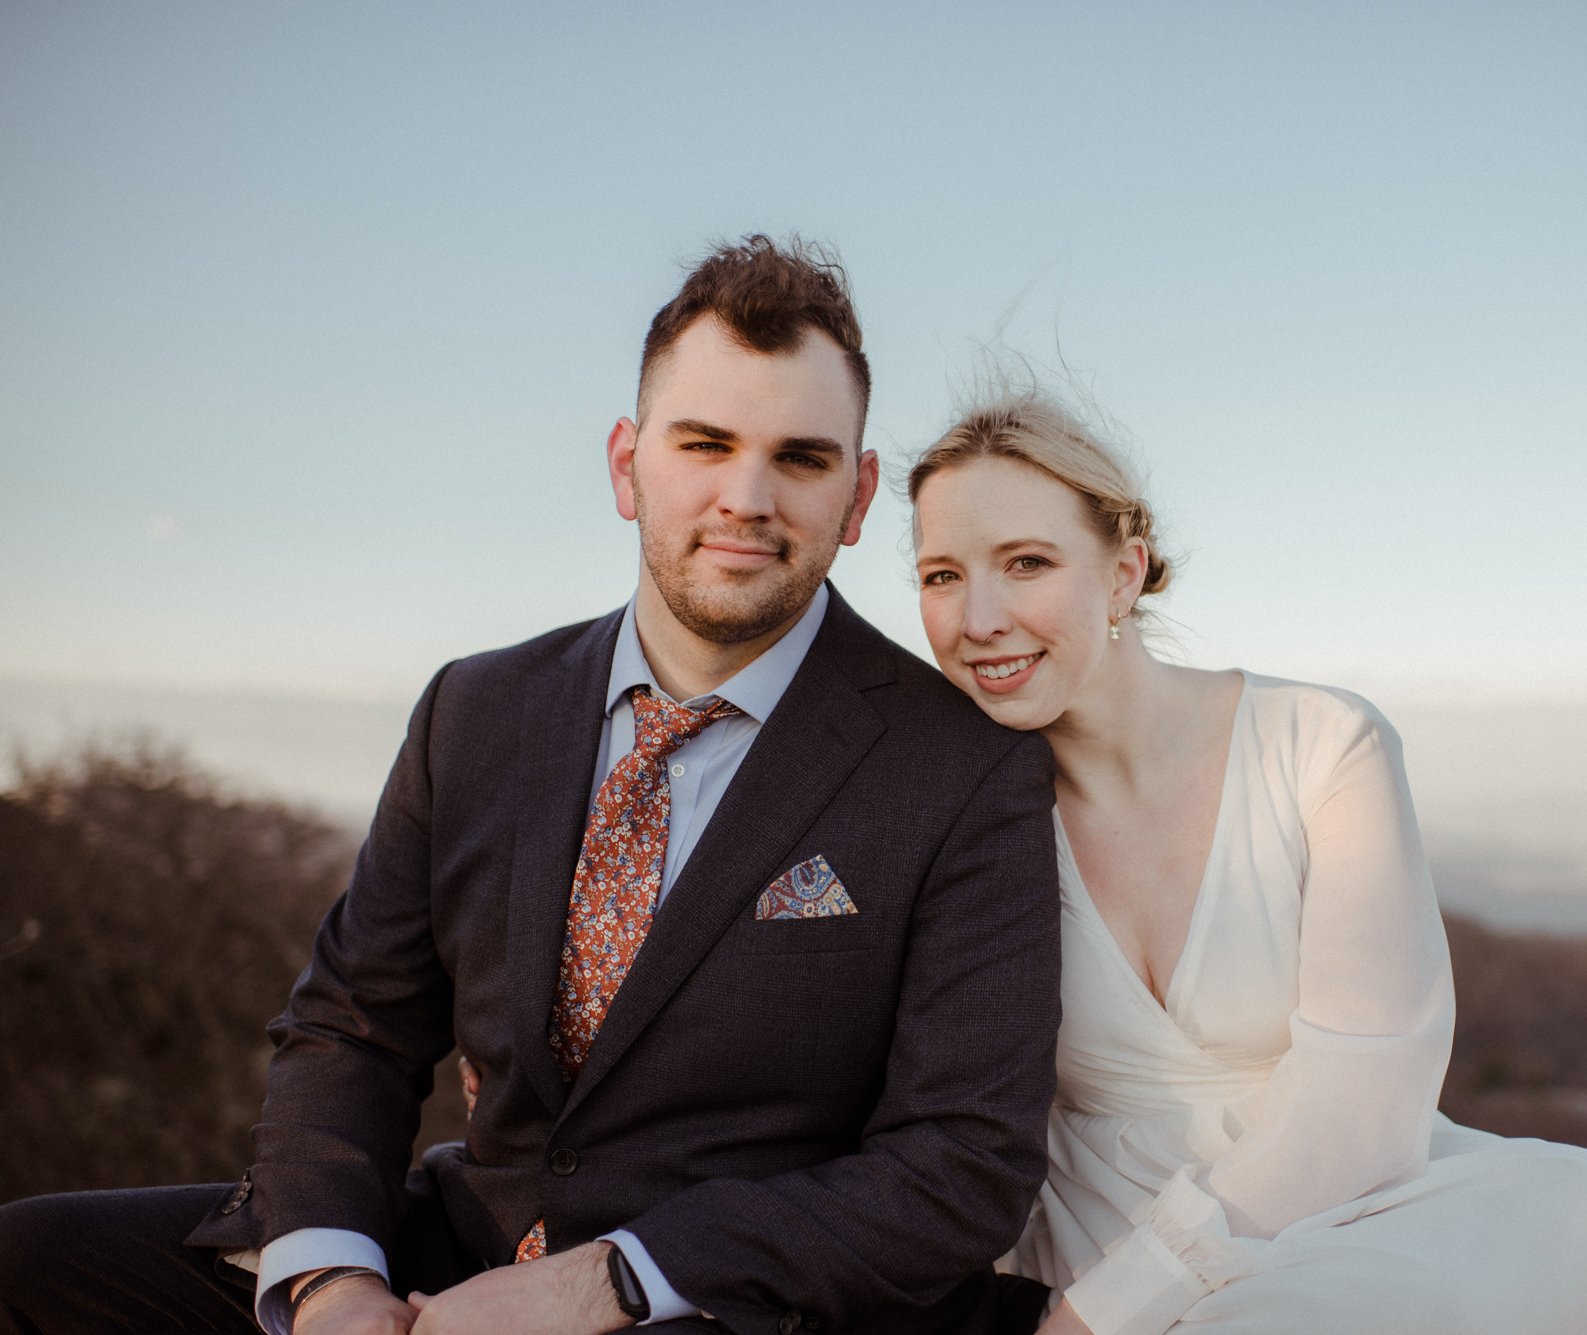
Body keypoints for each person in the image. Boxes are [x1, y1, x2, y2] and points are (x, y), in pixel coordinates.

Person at [0, 238, 1062, 1335]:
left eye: (800, 457)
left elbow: (961, 1162)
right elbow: (354, 1026)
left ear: (857, 494)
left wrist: (607, 1281)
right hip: (460, 1249)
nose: (746, 497)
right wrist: (328, 1280)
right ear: (625, 464)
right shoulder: (475, 709)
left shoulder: (962, 766)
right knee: (31, 1260)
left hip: (727, 1300)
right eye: (703, 443)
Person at [906, 391, 1587, 1335]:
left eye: (1026, 562)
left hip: (1340, 1203)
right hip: (1092, 1230)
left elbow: (1365, 1092)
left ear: (1123, 572)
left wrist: (1104, 1312)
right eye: (941, 575)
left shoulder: (1322, 744)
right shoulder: (955, 806)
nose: (978, 617)